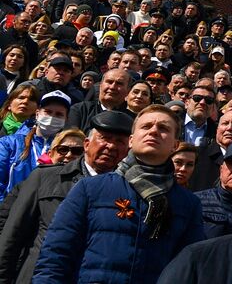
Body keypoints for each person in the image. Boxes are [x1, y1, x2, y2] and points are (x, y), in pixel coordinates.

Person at [32, 105, 206, 283]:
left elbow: (189, 268)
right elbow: (55, 255)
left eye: (163, 128)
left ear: (174, 145)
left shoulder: (188, 204)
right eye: (146, 127)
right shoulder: (90, 189)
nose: (153, 131)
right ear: (131, 140)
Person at [0, 114, 129, 283]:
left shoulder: (127, 190)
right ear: (87, 144)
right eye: (104, 138)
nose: (111, 146)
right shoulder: (45, 177)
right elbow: (13, 236)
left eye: (119, 141)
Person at [0, 89, 69, 197]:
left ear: (66, 119)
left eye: (59, 114)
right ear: (37, 113)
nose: (52, 117)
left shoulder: (68, 150)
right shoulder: (9, 143)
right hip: (10, 208)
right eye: (48, 112)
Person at [69, 67, 134, 131]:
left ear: (128, 90)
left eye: (119, 83)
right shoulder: (80, 109)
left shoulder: (133, 120)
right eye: (109, 82)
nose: (112, 87)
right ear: (100, 85)